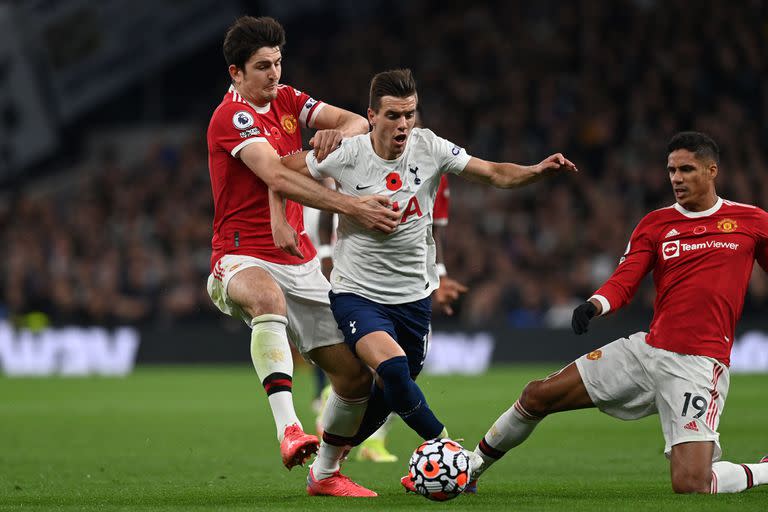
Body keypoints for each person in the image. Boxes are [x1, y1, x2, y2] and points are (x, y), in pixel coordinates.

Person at [281, 68, 576, 488]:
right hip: (356, 294)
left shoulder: (430, 146)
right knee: (394, 369)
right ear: (371, 116)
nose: (403, 124)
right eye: (393, 116)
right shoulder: (348, 153)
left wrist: (535, 171)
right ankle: (452, 455)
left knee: (388, 396)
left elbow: (492, 172)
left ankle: (328, 466)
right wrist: (325, 206)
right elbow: (281, 172)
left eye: (410, 114)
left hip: (415, 298)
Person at [470, 131, 768, 494]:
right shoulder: (656, 224)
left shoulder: (751, 221)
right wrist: (594, 305)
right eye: (671, 170)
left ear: (711, 170)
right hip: (647, 352)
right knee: (537, 395)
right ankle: (469, 469)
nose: (676, 178)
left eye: (686, 169)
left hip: (698, 364)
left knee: (692, 483)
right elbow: (625, 280)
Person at [205, 16, 402, 497]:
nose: (273, 74)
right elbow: (276, 173)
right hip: (240, 256)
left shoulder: (290, 99)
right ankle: (289, 429)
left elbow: (359, 121)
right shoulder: (231, 118)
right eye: (261, 67)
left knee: (353, 377)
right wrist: (353, 205)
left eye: (277, 62)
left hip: (302, 261)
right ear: (236, 73)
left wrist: (338, 135)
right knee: (267, 299)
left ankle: (327, 474)